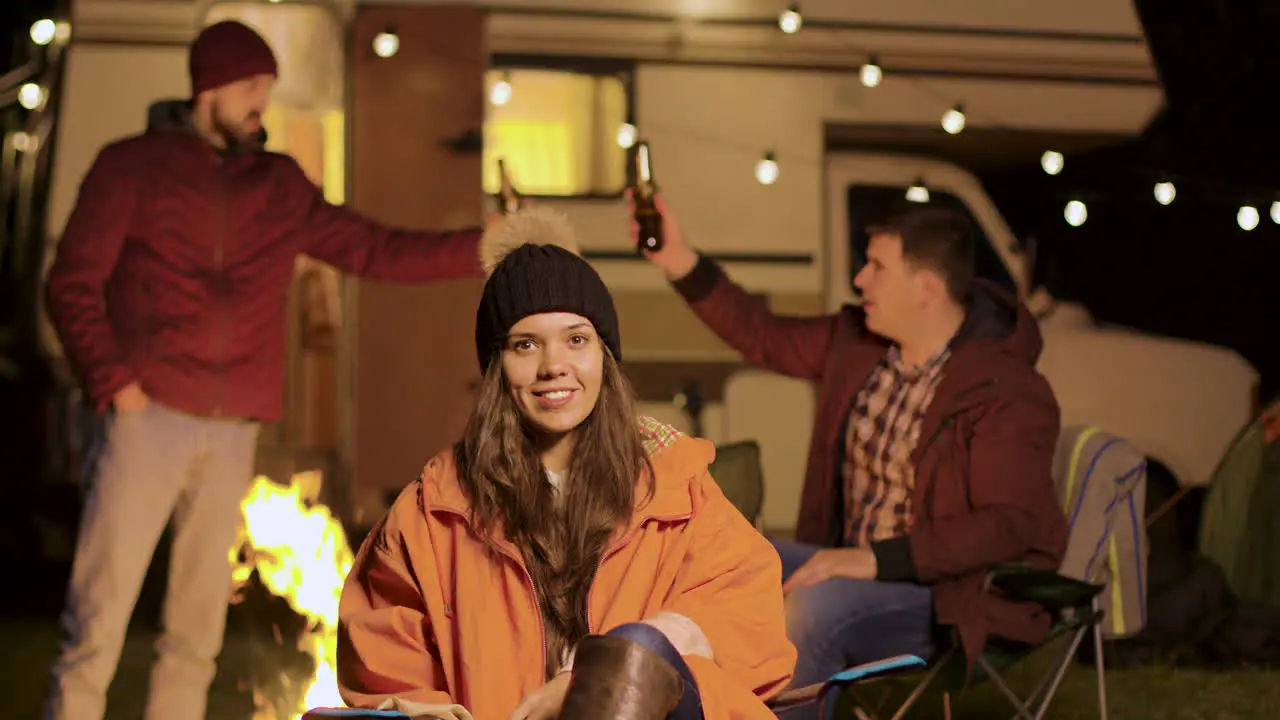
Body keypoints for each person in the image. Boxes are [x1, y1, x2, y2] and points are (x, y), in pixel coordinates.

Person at [42, 20, 491, 720]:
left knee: (195, 634)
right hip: (147, 420)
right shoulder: (129, 166)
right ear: (209, 88)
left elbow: (372, 249)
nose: (263, 102)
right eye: (251, 87)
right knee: (96, 624)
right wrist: (116, 385)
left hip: (231, 435)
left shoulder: (278, 184)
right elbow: (70, 283)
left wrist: (486, 246)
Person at [335, 207, 796, 720]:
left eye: (576, 339)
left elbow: (751, 630)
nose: (554, 365)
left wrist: (617, 668)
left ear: (604, 354)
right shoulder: (433, 512)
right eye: (525, 345)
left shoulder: (674, 489)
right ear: (496, 366)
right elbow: (383, 663)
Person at [631, 193, 1069, 718]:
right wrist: (681, 261)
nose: (860, 279)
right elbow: (763, 335)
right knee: (720, 562)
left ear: (927, 288)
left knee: (815, 610)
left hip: (950, 595)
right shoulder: (860, 345)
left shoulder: (1005, 388)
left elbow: (1005, 526)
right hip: (849, 564)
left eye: (877, 267)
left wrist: (874, 560)